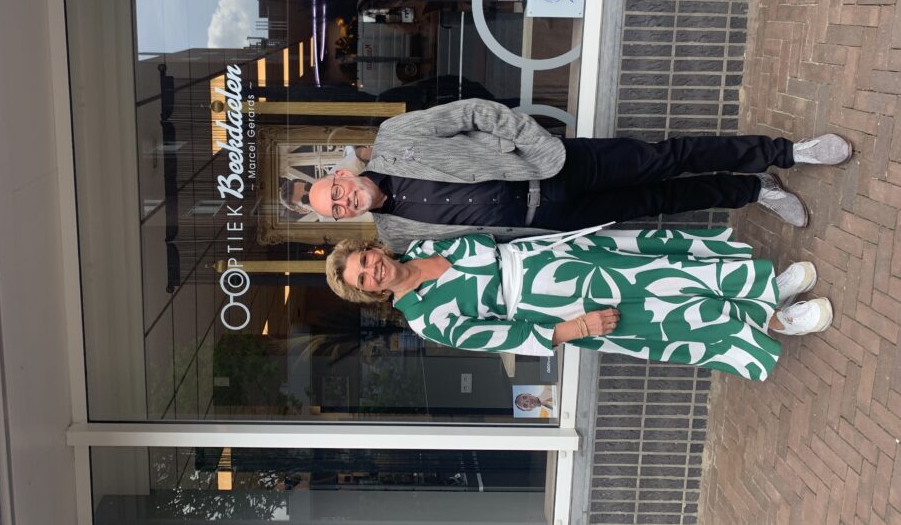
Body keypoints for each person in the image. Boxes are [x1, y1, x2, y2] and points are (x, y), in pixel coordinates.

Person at [307, 99, 851, 250]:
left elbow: (474, 112)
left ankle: (786, 152)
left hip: (556, 164)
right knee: (660, 201)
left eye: (335, 191)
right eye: (335, 210)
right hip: (553, 221)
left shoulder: (394, 137)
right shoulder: (395, 237)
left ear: (341, 176)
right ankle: (754, 189)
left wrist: (537, 143)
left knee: (666, 158)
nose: (342, 202)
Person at [325, 230, 831, 380]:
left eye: (365, 260)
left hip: (567, 258)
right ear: (370, 293)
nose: (372, 271)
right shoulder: (426, 319)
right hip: (558, 305)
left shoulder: (423, 247)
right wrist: (579, 329)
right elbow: (504, 337)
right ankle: (776, 322)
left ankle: (767, 288)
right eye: (363, 279)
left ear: (373, 250)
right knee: (670, 315)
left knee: (670, 271)